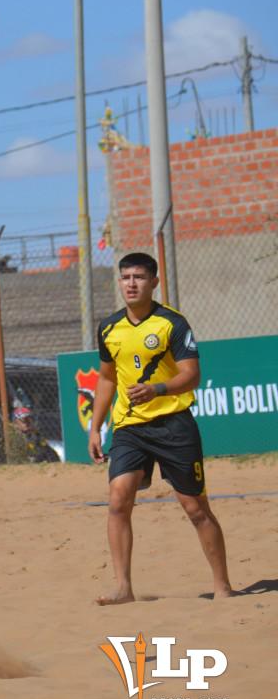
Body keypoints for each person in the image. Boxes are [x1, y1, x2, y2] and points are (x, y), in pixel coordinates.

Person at [87, 251, 232, 605]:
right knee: (119, 500)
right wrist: (96, 427)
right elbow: (107, 378)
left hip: (173, 424)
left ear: (154, 282)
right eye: (125, 278)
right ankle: (123, 587)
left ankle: (223, 587)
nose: (131, 284)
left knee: (196, 509)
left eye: (138, 277)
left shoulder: (172, 323)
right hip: (130, 427)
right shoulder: (108, 327)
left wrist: (157, 389)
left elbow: (191, 375)